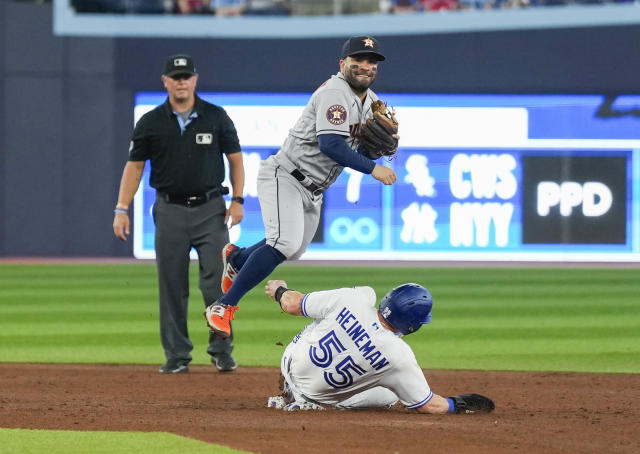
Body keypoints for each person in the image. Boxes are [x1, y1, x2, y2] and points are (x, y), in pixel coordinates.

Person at [204, 35, 398, 339]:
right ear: (343, 64)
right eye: (358, 60)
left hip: (313, 188)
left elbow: (360, 146)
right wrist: (374, 167)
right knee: (282, 243)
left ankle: (236, 259)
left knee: (292, 248)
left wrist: (375, 150)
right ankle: (223, 306)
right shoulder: (336, 93)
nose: (365, 66)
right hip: (287, 175)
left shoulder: (371, 102)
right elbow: (331, 144)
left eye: (371, 62)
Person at [113, 54, 245, 374]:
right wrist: (121, 208)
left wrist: (238, 199)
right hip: (169, 209)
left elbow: (236, 159)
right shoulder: (150, 122)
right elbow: (134, 168)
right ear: (165, 82)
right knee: (171, 284)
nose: (181, 81)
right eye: (176, 77)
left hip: (211, 209)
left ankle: (221, 349)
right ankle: (176, 355)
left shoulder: (216, 116)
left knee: (217, 283)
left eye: (186, 76)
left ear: (195, 80)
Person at [264, 279, 495, 413]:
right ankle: (309, 401)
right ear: (413, 326)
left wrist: (279, 290)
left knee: (321, 320)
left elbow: (293, 305)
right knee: (390, 392)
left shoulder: (355, 298)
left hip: (290, 363)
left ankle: (290, 387)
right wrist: (458, 403)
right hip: (319, 397)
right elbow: (429, 405)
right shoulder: (399, 356)